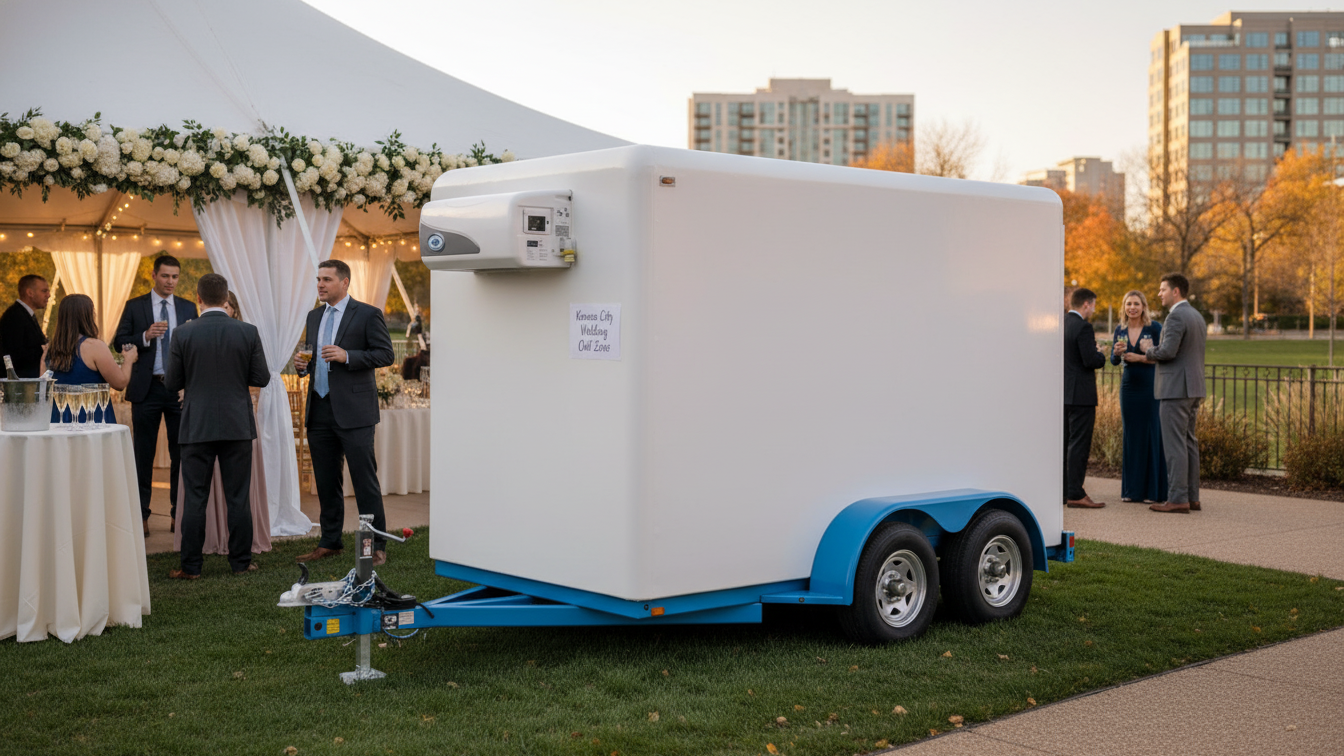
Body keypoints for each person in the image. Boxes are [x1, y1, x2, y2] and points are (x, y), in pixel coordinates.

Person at [165, 273, 270, 579]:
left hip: (197, 425)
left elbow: (172, 382)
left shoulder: (183, 334)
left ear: (198, 298)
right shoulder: (247, 332)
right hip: (237, 424)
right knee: (238, 496)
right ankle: (241, 562)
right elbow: (261, 378)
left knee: (195, 497)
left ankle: (191, 567)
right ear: (226, 299)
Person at [293, 259, 395, 565]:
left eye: (326, 279)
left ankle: (377, 545)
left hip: (355, 412)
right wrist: (302, 367)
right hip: (320, 409)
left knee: (364, 481)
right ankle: (330, 541)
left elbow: (385, 354)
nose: (320, 285)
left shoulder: (367, 314)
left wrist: (347, 355)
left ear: (344, 282)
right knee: (325, 481)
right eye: (318, 279)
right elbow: (313, 358)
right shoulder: (314, 316)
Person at [114, 255, 198, 533]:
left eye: (175, 276)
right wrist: (145, 336)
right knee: (143, 455)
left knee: (181, 454)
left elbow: (196, 347)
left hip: (178, 390)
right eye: (165, 276)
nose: (171, 282)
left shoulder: (187, 307)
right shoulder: (135, 305)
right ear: (154, 275)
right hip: (146, 388)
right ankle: (142, 516)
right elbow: (119, 341)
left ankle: (178, 513)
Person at [1143, 273, 1207, 514]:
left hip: (1175, 389)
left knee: (1175, 444)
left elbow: (1168, 351)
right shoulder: (1196, 315)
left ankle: (1178, 498)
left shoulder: (1177, 315)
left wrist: (1149, 351)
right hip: (1193, 387)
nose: (1159, 294)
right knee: (1189, 441)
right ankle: (1192, 497)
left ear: (1176, 291)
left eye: (1163, 290)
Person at [1110, 290, 1169, 503]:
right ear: (1124, 307)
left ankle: (1154, 492)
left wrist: (1142, 356)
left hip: (1151, 387)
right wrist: (1116, 354)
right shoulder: (1120, 329)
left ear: (1143, 306)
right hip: (1129, 389)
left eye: (1136, 303)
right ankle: (1132, 490)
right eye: (1128, 304)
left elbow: (1163, 357)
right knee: (1132, 436)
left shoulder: (1155, 328)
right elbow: (1114, 361)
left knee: (1152, 434)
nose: (1132, 307)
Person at [45, 294, 139, 424]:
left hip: (59, 419)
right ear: (87, 316)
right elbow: (120, 383)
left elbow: (43, 386)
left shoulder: (50, 349)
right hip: (91, 418)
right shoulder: (94, 346)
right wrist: (129, 359)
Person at [1064, 287, 1107, 509]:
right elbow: (1090, 360)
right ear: (1086, 304)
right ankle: (1076, 493)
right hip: (1081, 395)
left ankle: (1063, 490)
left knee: (1065, 443)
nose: (1094, 309)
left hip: (1063, 394)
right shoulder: (1083, 327)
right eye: (1094, 305)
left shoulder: (1061, 323)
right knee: (1079, 445)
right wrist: (1101, 354)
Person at [0, 274, 51, 377]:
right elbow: (15, 355)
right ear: (30, 293)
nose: (49, 295)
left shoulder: (24, 314)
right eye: (44, 291)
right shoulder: (15, 317)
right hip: (20, 386)